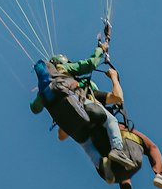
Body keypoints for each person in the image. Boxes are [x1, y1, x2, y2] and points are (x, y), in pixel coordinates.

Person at [30, 44, 138, 180]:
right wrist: (102, 50)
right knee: (110, 120)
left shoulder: (43, 93)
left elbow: (35, 109)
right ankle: (117, 150)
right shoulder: (64, 69)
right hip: (85, 108)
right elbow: (90, 64)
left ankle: (101, 164)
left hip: (72, 127)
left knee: (85, 144)